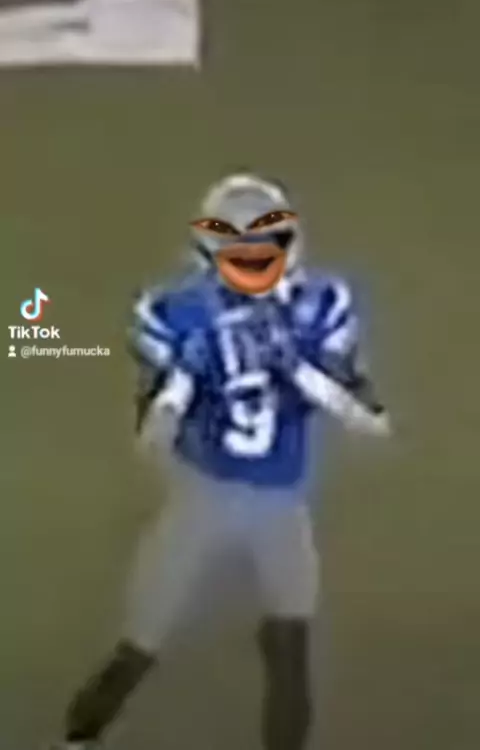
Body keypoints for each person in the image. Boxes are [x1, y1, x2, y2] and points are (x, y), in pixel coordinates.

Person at [50, 172, 391, 750]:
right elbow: (153, 432)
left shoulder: (312, 310)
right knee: (143, 639)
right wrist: (181, 385)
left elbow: (371, 420)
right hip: (204, 501)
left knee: (290, 645)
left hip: (279, 506)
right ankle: (80, 736)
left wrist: (297, 368)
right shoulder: (184, 317)